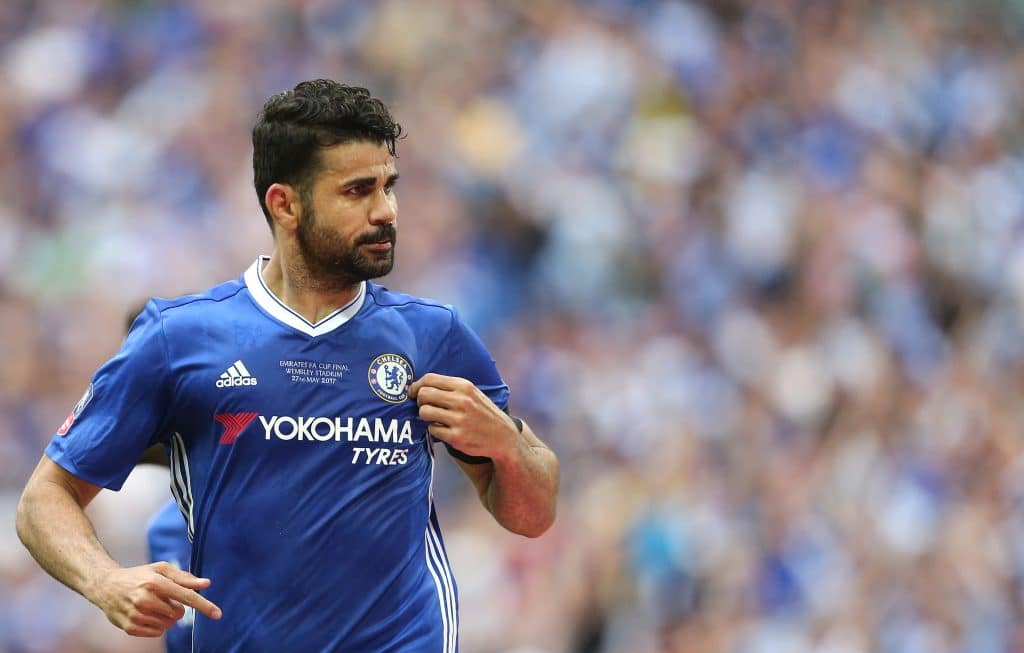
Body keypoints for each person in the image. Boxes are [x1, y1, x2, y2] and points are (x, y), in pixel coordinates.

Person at [16, 79, 560, 653]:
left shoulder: (435, 335)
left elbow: (531, 517)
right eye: (357, 191)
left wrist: (506, 444)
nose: (386, 211)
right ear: (285, 203)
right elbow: (43, 500)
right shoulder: (179, 337)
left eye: (389, 187)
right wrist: (105, 581)